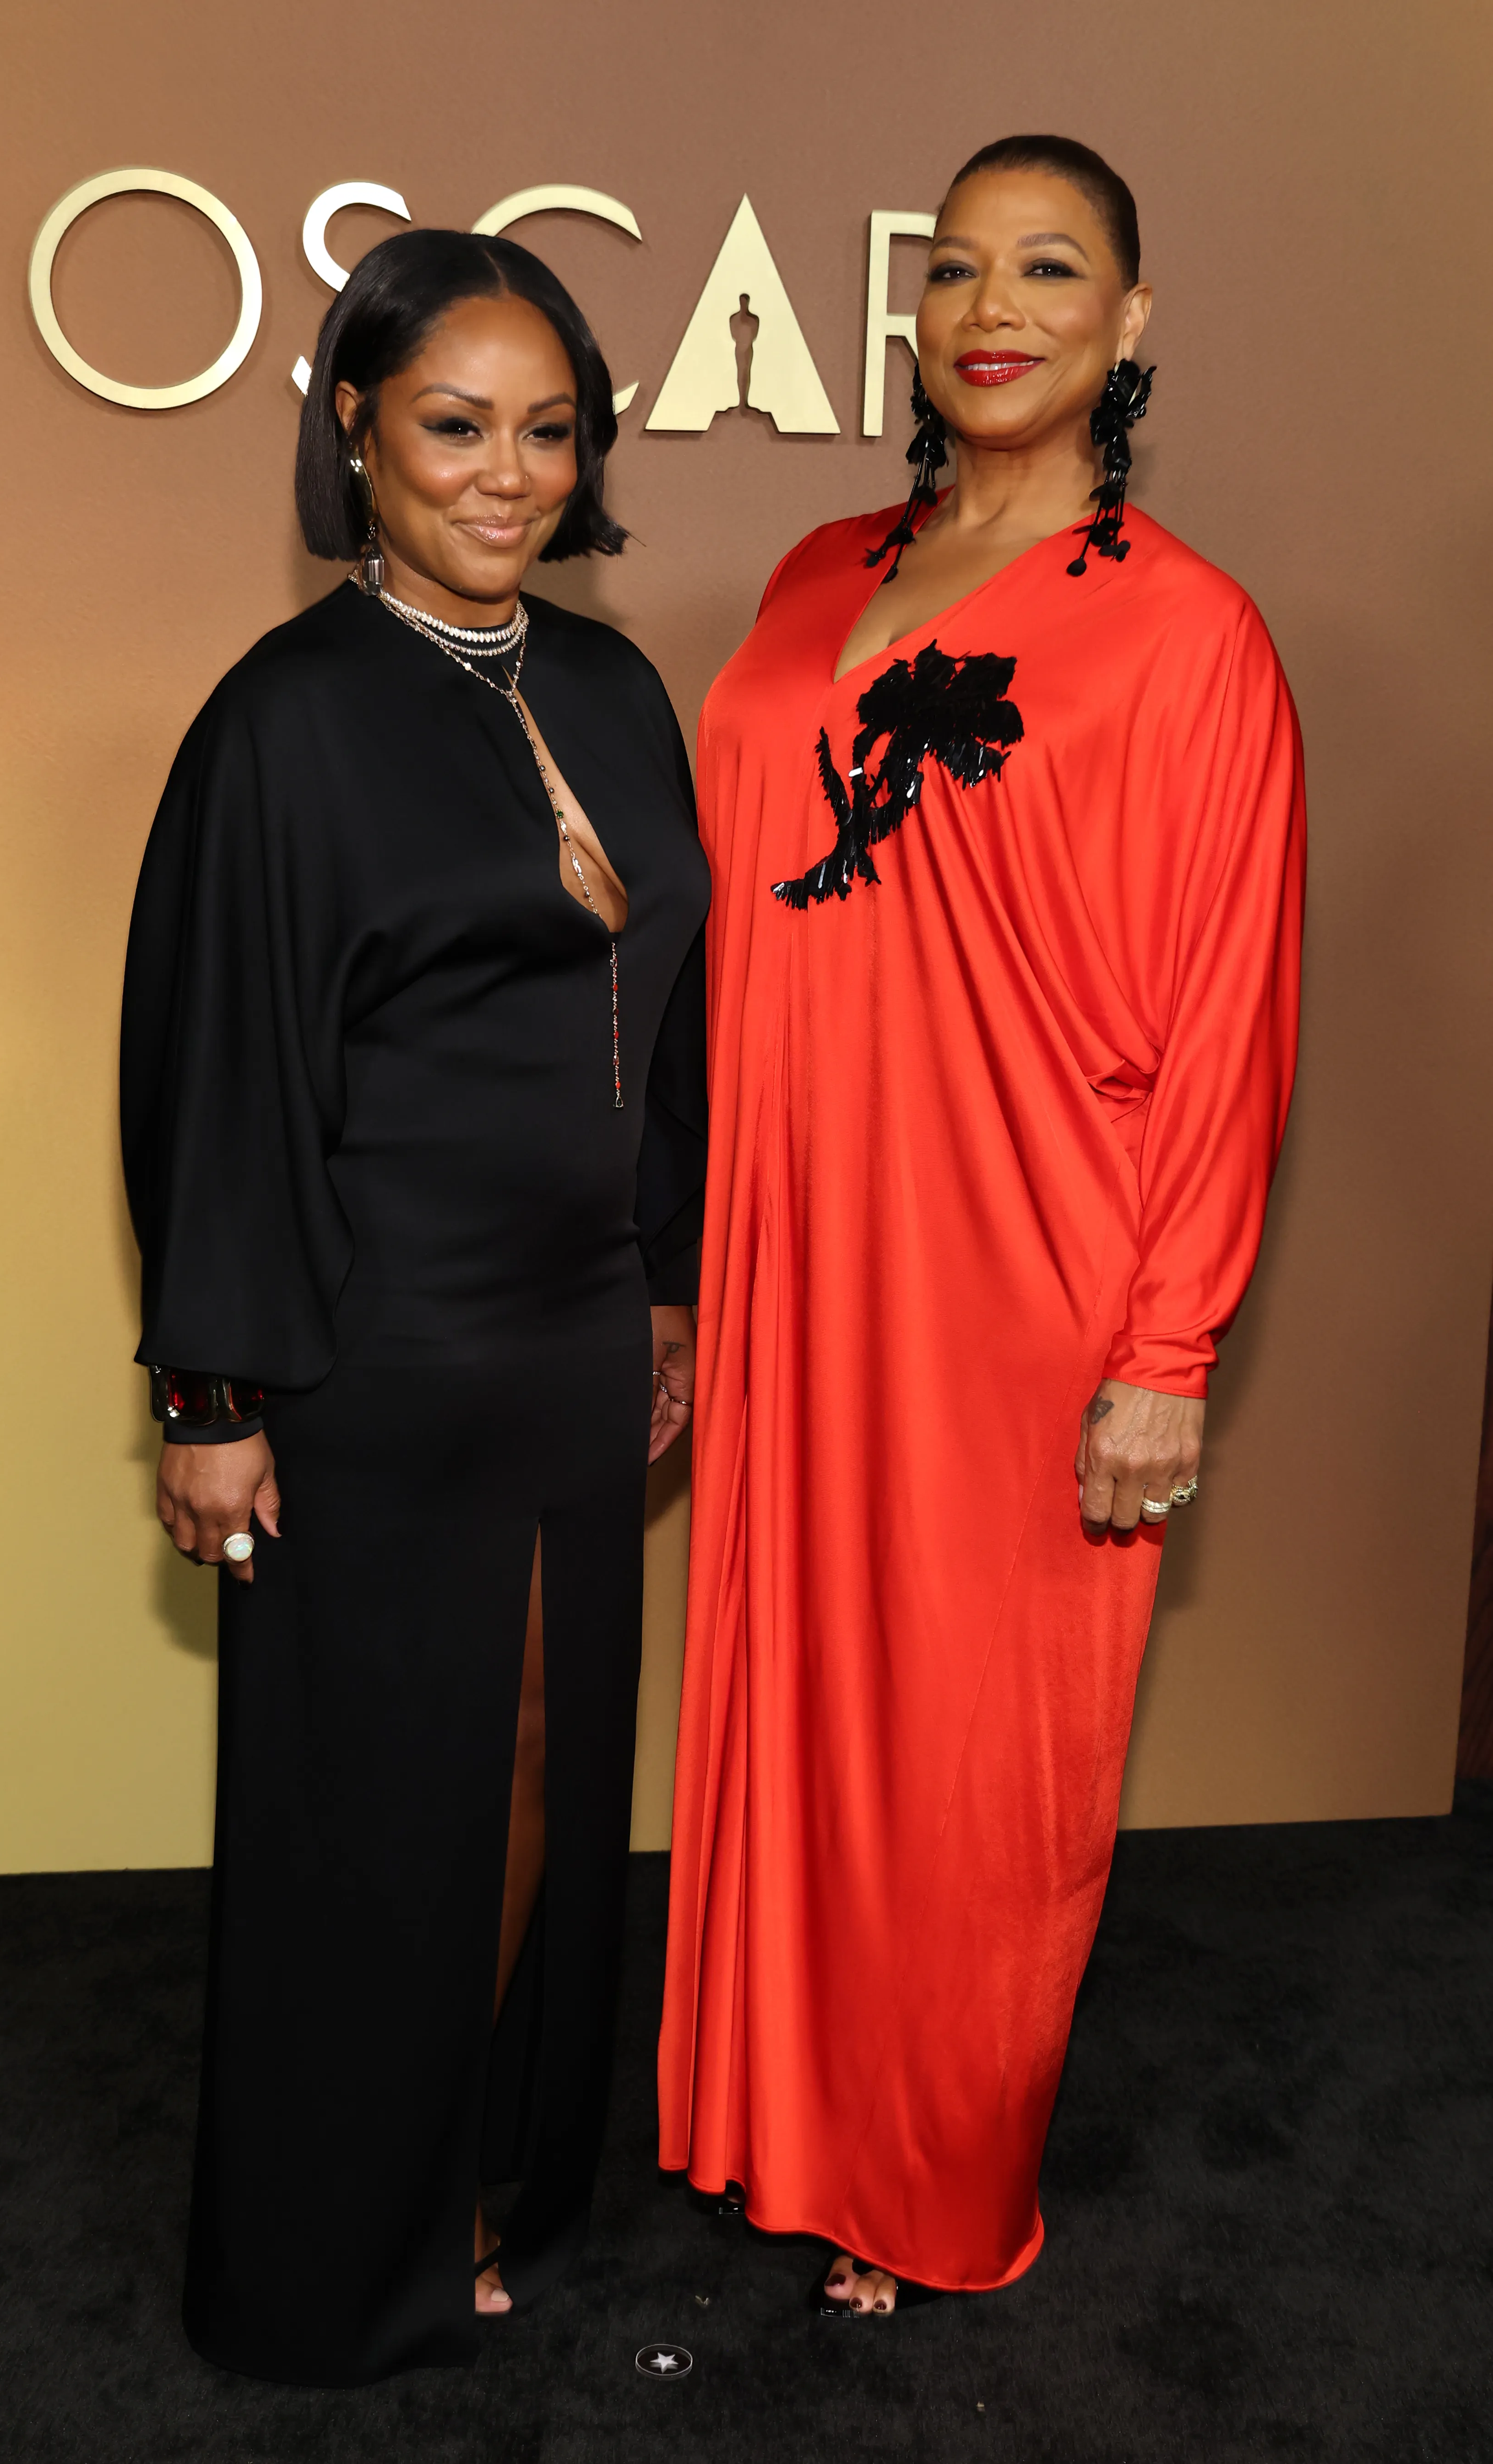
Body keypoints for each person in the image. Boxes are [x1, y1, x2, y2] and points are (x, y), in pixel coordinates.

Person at [657, 135, 1305, 2315]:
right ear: (908, 319)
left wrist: (1168, 1348)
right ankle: (787, 2126)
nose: (991, 306)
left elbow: (1228, 1016)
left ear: (1133, 327)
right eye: (953, 269)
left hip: (1026, 1275)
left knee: (970, 1768)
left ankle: (929, 2175)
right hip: (796, 1251)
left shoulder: (1189, 632)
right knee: (801, 1705)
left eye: (1052, 269)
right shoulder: (818, 564)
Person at [121, 229, 709, 2383]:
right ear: (353, 427)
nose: (507, 474)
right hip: (371, 1348)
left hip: (567, 1335)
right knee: (374, 1802)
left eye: (549, 430)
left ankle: (475, 2162)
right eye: (456, 425)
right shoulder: (283, 724)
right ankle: (323, 2240)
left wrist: (668, 1273)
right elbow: (219, 1070)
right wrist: (212, 1390)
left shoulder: (615, 684)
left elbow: (670, 1004)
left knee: (543, 1755)